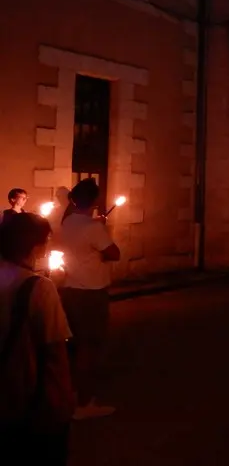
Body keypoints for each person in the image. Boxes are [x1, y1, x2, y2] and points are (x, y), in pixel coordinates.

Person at [0, 213, 74, 465]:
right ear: (36, 246)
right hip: (27, 404)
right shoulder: (39, 288)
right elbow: (55, 349)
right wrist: (62, 404)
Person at [57, 178, 120, 420]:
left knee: (73, 347)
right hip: (90, 291)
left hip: (70, 288)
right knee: (88, 347)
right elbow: (114, 253)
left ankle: (71, 396)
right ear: (94, 200)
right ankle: (84, 404)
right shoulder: (93, 227)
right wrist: (101, 228)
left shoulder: (67, 223)